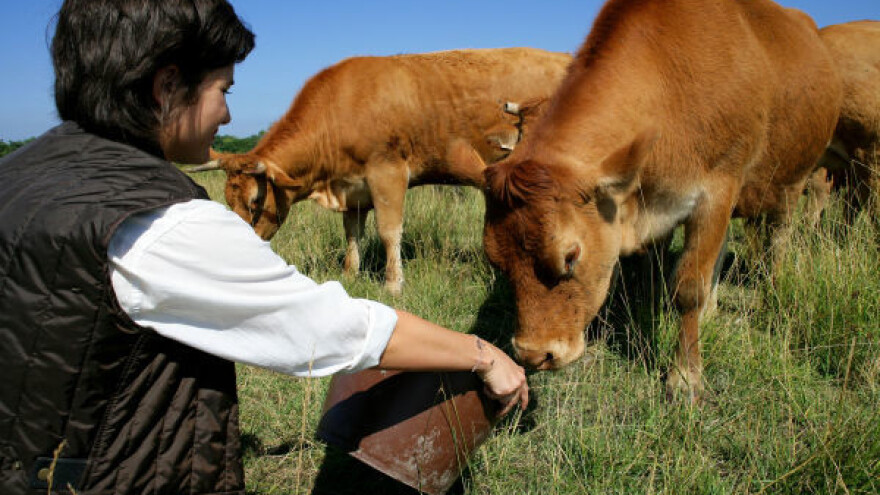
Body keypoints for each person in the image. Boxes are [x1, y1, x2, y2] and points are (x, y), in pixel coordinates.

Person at [0, 1, 528, 493]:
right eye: (223, 90)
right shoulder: (161, 221)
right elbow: (322, 330)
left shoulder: (16, 177)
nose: (227, 117)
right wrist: (482, 355)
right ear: (165, 88)